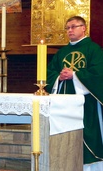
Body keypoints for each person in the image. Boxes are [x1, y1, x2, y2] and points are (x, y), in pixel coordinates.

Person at [47, 16, 103, 170]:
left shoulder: (94, 49)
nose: (69, 30)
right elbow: (49, 72)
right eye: (67, 28)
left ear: (84, 28)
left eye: (73, 27)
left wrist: (75, 75)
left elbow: (99, 73)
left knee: (88, 135)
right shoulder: (62, 52)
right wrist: (59, 77)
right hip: (63, 104)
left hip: (87, 103)